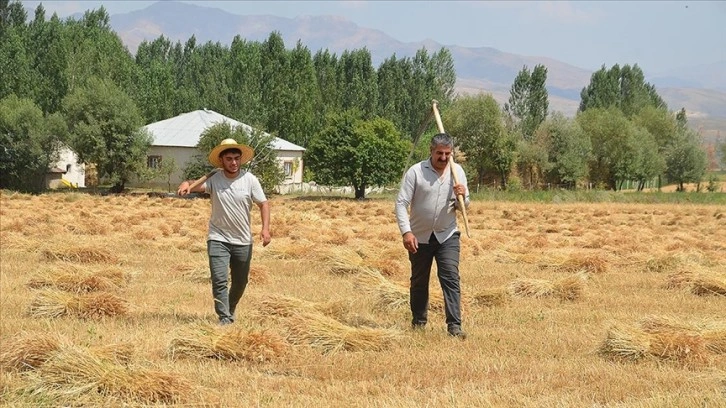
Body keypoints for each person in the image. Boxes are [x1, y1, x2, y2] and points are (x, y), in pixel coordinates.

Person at [177, 138, 271, 325]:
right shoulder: (214, 179)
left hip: (243, 240)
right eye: (229, 158)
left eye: (237, 158)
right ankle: (225, 318)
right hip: (218, 238)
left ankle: (231, 306)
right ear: (221, 160)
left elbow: (263, 204)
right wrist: (184, 184)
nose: (233, 162)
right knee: (219, 280)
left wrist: (265, 229)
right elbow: (194, 185)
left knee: (240, 282)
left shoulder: (250, 180)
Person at [395, 133, 469, 339]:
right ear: (431, 151)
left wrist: (462, 196)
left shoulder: (457, 172)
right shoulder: (416, 172)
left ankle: (454, 326)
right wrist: (406, 232)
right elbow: (401, 203)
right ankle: (419, 321)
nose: (444, 158)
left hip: (448, 235)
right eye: (440, 153)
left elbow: (464, 206)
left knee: (450, 277)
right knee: (419, 281)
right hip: (419, 237)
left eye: (447, 154)